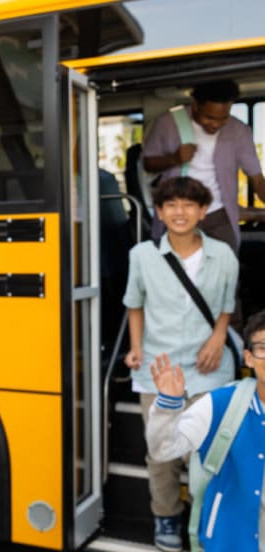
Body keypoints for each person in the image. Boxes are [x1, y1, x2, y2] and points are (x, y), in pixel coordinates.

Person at [123, 176, 239, 551]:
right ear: (158, 212)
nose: (180, 212)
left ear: (203, 211)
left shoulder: (223, 254)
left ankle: (207, 516)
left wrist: (219, 335)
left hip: (210, 366)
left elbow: (226, 305)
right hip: (158, 370)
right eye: (171, 205)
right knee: (161, 454)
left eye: (189, 205)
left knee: (208, 453)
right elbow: (134, 304)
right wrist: (135, 348)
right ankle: (168, 516)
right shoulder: (141, 255)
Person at [145, 309, 265, 552]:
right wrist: (168, 406)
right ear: (248, 358)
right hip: (229, 543)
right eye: (262, 347)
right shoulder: (223, 403)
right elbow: (163, 450)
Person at [143, 79, 265, 254]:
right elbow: (148, 164)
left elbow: (257, 180)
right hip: (179, 214)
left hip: (220, 214)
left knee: (226, 271)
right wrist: (173, 158)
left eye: (223, 118)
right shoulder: (167, 122)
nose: (215, 124)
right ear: (196, 106)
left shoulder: (239, 131)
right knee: (178, 274)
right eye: (209, 117)